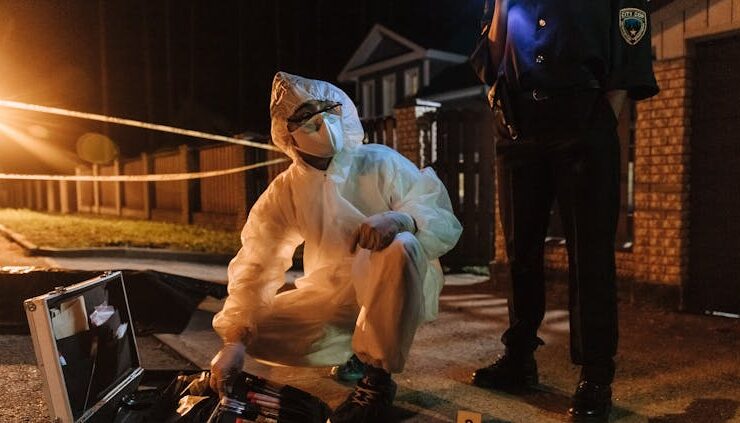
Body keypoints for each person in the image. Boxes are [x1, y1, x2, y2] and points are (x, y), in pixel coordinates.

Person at [210, 72, 462, 422]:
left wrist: (402, 220)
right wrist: (234, 341)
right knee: (256, 331)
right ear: (287, 133)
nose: (321, 121)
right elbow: (258, 260)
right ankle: (356, 353)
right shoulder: (286, 191)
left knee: (400, 246)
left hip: (392, 283)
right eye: (304, 116)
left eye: (326, 108)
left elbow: (436, 212)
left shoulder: (378, 162)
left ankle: (376, 382)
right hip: (331, 293)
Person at [471, 1, 659, 421]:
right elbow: (492, 58)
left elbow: (632, 52)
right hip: (518, 126)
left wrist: (599, 122)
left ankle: (596, 374)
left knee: (590, 256)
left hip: (583, 122)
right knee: (520, 251)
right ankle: (519, 356)